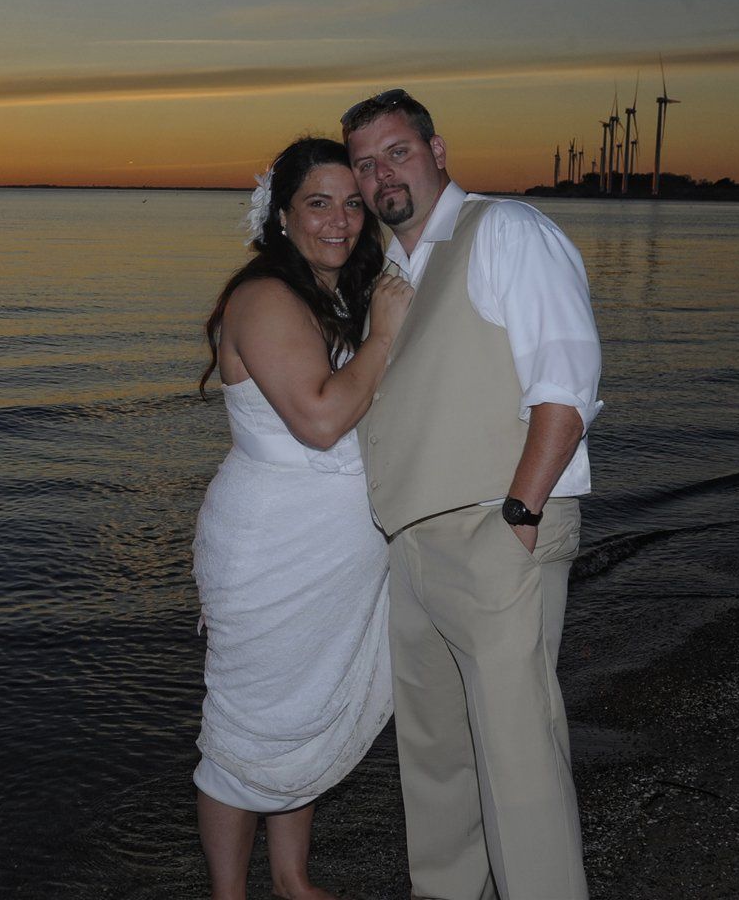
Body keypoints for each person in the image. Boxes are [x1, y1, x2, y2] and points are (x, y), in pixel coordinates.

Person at [342, 90, 602, 900]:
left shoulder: (506, 231)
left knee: (518, 762)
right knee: (437, 766)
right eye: (364, 161)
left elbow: (567, 387)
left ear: (437, 150)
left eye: (397, 151)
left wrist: (517, 519)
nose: (382, 172)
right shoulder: (392, 273)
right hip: (414, 549)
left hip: (495, 534)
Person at [192, 136, 415, 900]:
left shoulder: (331, 295)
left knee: (307, 710)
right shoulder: (264, 299)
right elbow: (321, 420)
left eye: (353, 202)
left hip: (333, 554)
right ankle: (229, 895)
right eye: (318, 202)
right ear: (282, 216)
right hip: (273, 550)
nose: (341, 220)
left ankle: (291, 878)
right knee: (246, 726)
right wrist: (384, 336)